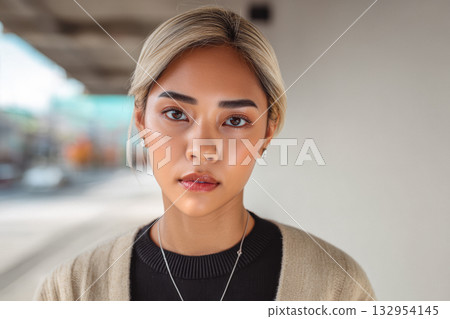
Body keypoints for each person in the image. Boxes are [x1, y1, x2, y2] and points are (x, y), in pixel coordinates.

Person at [34, 5, 376, 301]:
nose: (201, 151)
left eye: (236, 120)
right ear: (141, 120)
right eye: (176, 114)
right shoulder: (70, 290)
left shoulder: (336, 287)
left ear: (268, 133)